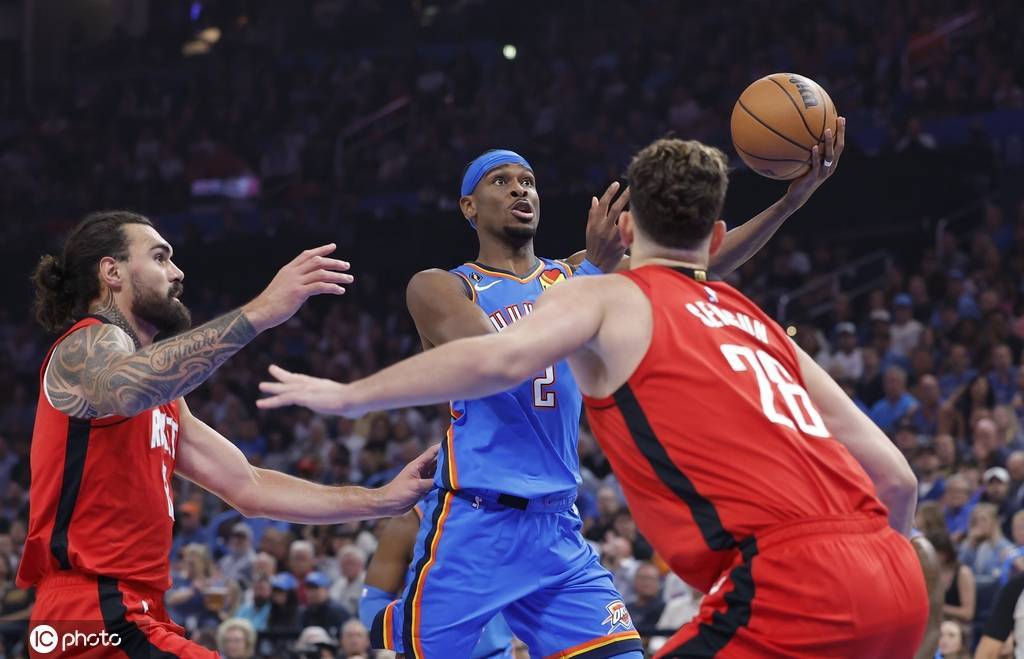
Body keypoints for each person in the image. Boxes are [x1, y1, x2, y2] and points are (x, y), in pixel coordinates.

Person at [259, 132, 930, 656]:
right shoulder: (443, 283)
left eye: (528, 181)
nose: (520, 190)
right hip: (476, 520)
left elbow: (689, 269)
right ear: (469, 207)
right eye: (501, 181)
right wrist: (593, 277)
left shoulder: (581, 276)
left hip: (557, 525)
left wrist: (789, 203)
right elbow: (494, 360)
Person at [18, 211, 437, 657]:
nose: (177, 272)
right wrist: (262, 311)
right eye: (159, 258)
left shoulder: (167, 401)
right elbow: (124, 388)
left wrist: (381, 499)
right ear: (111, 271)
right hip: (92, 609)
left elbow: (249, 487)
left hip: (131, 609)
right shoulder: (86, 344)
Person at [358, 507, 514, 658]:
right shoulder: (412, 520)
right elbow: (372, 601)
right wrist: (406, 639)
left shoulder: (515, 511)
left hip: (497, 652)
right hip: (427, 653)